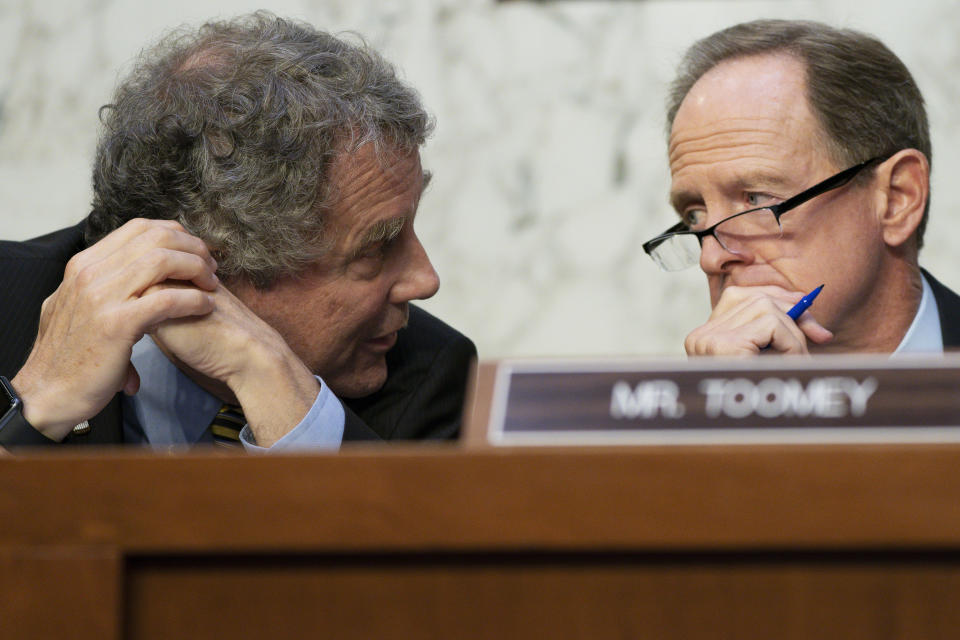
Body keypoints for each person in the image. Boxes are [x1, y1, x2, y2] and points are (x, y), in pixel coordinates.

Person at [0, 13, 476, 451]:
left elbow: (390, 539)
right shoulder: (8, 304)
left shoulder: (430, 374)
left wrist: (271, 379)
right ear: (212, 261)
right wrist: (36, 409)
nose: (425, 280)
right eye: (376, 248)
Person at [642, 19, 960, 356]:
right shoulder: (695, 404)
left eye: (756, 199)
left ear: (898, 198)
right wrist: (730, 399)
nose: (711, 258)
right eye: (695, 215)